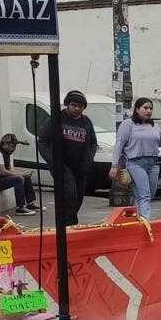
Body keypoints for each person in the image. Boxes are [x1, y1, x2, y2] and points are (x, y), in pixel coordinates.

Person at [109, 97, 161, 220]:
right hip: (135, 163)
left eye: (150, 108)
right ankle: (145, 221)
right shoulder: (128, 124)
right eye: (145, 108)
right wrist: (114, 165)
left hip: (153, 163)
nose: (148, 111)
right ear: (137, 109)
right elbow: (119, 144)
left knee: (149, 194)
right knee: (145, 195)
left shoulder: (154, 126)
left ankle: (136, 218)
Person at [38, 90, 97, 226]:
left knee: (78, 197)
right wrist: (53, 161)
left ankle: (69, 221)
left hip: (80, 166)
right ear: (67, 104)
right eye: (74, 105)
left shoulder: (86, 122)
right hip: (62, 165)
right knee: (69, 193)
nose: (77, 109)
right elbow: (43, 141)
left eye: (80, 106)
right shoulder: (57, 119)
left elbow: (93, 142)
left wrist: (88, 159)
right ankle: (68, 224)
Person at [0, 133, 44, 216]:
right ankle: (20, 208)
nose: (14, 148)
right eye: (12, 146)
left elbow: (10, 170)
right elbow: (3, 172)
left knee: (25, 176)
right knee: (19, 179)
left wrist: (23, 173)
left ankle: (30, 203)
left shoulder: (6, 153)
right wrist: (20, 175)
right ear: (5, 144)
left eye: (15, 146)